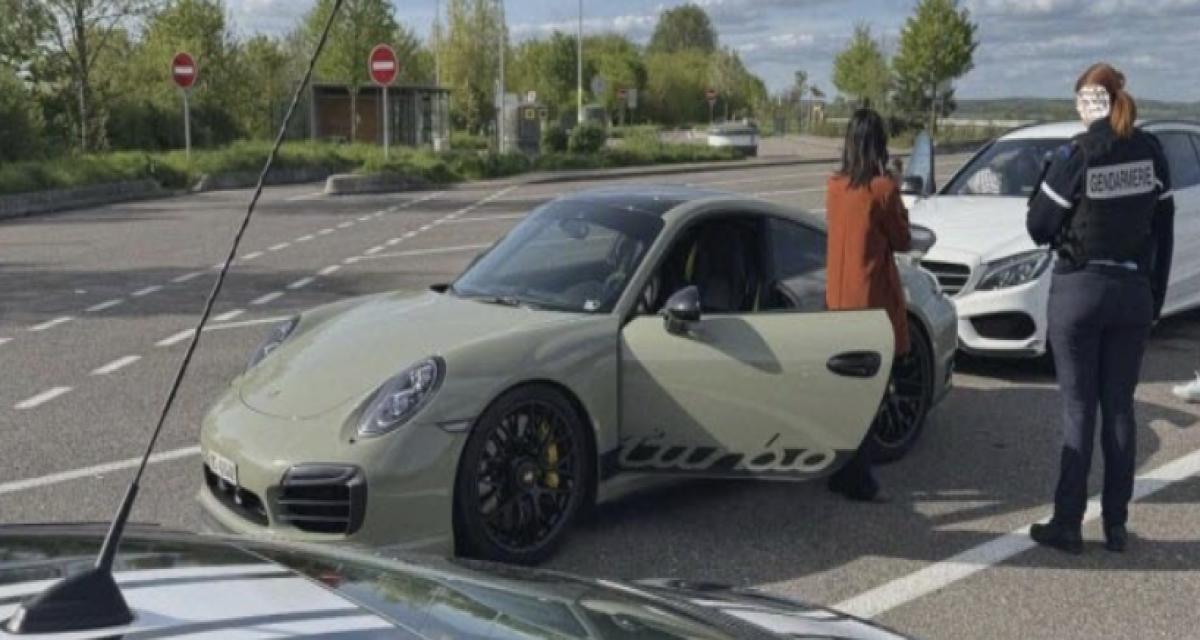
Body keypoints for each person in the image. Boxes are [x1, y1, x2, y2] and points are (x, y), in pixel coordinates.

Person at [1026, 63, 1175, 554]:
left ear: (1090, 101)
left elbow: (1040, 226)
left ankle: (1068, 523)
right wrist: (1154, 295)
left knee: (1078, 409)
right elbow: (1164, 230)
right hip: (1133, 291)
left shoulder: (1078, 153)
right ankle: (1115, 525)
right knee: (1119, 411)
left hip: (1081, 291)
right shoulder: (1151, 152)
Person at [824, 108, 911, 502]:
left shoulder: (835, 185)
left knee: (844, 393)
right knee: (873, 391)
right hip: (872, 302)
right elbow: (903, 239)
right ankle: (858, 477)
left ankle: (840, 467)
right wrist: (898, 185)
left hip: (838, 299)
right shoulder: (882, 189)